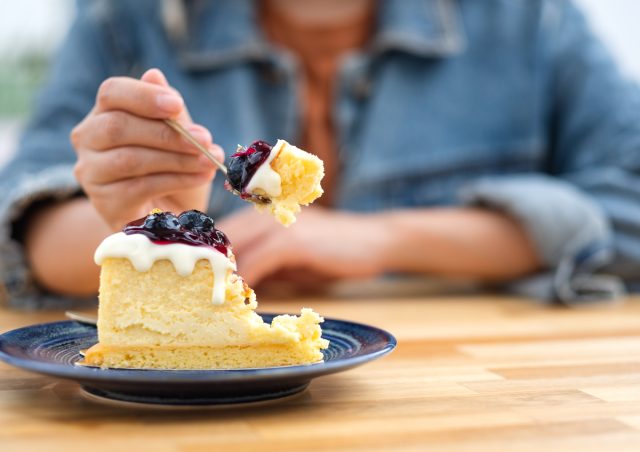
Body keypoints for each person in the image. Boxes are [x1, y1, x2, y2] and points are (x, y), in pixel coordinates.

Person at [1, 0, 638, 309]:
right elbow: (22, 234)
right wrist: (138, 223)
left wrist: (386, 239)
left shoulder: (531, 21)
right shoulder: (125, 21)